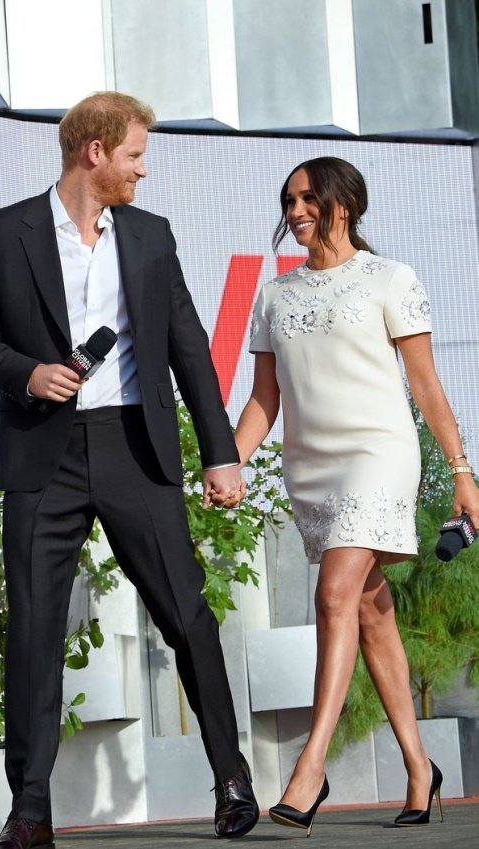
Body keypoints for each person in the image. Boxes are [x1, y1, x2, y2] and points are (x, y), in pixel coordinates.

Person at [0, 91, 258, 849]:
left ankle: (232, 781)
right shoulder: (5, 230)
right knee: (33, 634)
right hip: (41, 454)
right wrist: (26, 373)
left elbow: (188, 344)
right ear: (95, 152)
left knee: (187, 613)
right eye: (133, 155)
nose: (141, 171)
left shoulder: (150, 237)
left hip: (135, 447)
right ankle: (30, 815)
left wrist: (220, 452)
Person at [233, 156, 479, 835]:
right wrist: (227, 462)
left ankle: (309, 766)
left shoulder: (389, 278)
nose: (295, 210)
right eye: (287, 199)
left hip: (378, 453)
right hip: (311, 467)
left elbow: (425, 385)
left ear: (344, 202)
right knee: (370, 612)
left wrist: (461, 471)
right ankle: (418, 767)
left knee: (335, 594)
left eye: (308, 197)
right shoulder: (273, 296)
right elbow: (263, 398)